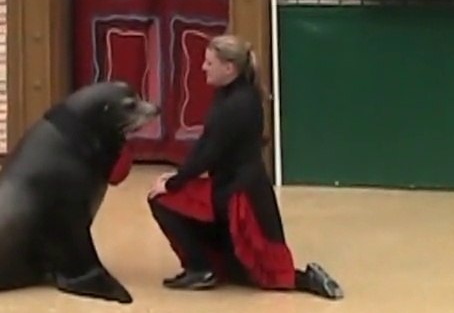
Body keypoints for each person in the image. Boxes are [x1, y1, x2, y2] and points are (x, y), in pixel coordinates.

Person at [146, 34, 344, 299]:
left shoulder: (238, 105)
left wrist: (173, 183)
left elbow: (208, 154)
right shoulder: (229, 95)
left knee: (264, 275)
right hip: (227, 188)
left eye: (209, 63)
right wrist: (178, 176)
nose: (203, 67)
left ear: (228, 68)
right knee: (170, 201)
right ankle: (203, 266)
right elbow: (206, 146)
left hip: (242, 197)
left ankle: (305, 279)